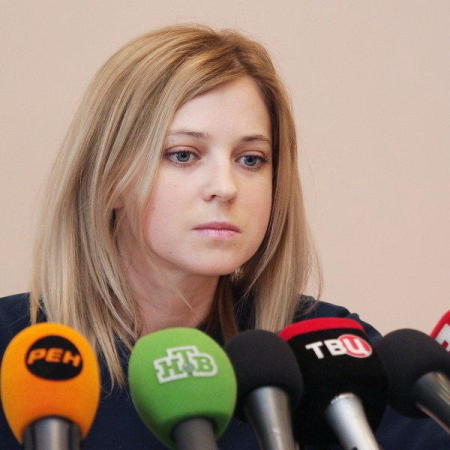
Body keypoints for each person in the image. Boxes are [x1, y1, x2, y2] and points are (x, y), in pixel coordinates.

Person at [0, 24, 448, 449]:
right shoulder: (15, 348)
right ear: (110, 177)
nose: (225, 187)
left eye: (251, 159)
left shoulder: (323, 353)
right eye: (183, 155)